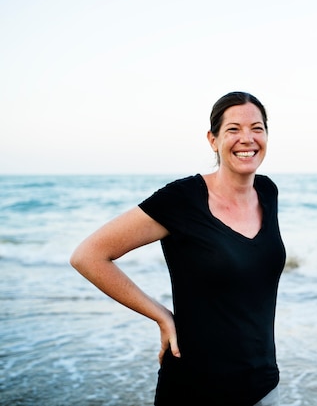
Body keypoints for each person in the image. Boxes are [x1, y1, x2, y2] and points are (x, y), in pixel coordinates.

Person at [70, 91, 286, 405]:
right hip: (195, 388)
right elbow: (88, 255)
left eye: (257, 128)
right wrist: (160, 316)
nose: (247, 138)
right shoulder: (182, 199)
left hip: (264, 385)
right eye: (233, 129)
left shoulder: (267, 191)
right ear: (213, 140)